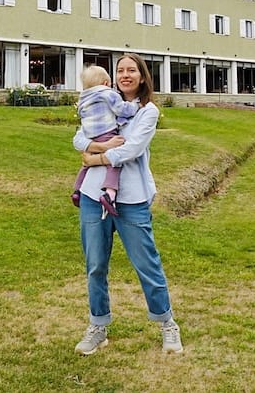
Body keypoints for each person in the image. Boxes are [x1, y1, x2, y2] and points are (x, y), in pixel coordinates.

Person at [72, 53, 183, 356]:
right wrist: (98, 146)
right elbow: (78, 139)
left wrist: (94, 157)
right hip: (95, 197)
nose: (125, 75)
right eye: (120, 70)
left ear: (143, 76)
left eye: (131, 70)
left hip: (131, 199)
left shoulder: (147, 112)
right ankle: (98, 326)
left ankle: (167, 323)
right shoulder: (101, 102)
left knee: (146, 263)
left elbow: (132, 149)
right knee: (95, 265)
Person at [70, 65, 140, 218]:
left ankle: (77, 190)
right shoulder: (108, 94)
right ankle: (110, 193)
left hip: (90, 134)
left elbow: (81, 116)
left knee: (85, 165)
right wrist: (134, 105)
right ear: (106, 83)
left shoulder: (84, 97)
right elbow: (122, 109)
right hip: (106, 132)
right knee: (114, 163)